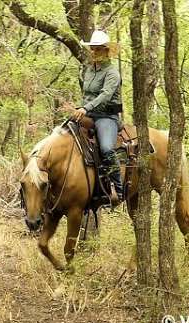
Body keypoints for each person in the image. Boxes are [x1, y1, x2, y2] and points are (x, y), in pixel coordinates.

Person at [67, 30, 124, 206]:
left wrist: (85, 108)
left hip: (106, 116)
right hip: (88, 113)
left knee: (107, 148)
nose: (94, 52)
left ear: (106, 51)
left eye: (98, 49)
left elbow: (105, 95)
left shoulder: (112, 73)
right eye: (92, 49)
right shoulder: (89, 71)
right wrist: (77, 109)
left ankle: (118, 188)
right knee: (65, 131)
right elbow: (87, 95)